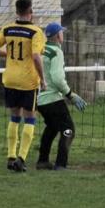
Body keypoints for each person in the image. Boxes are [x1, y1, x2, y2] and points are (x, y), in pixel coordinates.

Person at [0, 0, 47, 173]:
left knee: (14, 117)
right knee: (30, 118)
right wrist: (43, 79)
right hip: (27, 81)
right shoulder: (35, 32)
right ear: (31, 11)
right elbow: (36, 56)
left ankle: (11, 156)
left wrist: (7, 55)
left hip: (10, 79)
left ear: (17, 11)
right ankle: (21, 159)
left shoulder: (8, 29)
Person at [35, 23, 86, 170]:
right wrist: (70, 95)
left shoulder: (42, 49)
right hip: (52, 99)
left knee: (51, 127)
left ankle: (43, 161)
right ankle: (61, 164)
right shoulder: (57, 52)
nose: (63, 35)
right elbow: (57, 78)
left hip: (40, 99)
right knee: (68, 130)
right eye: (61, 32)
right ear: (58, 35)